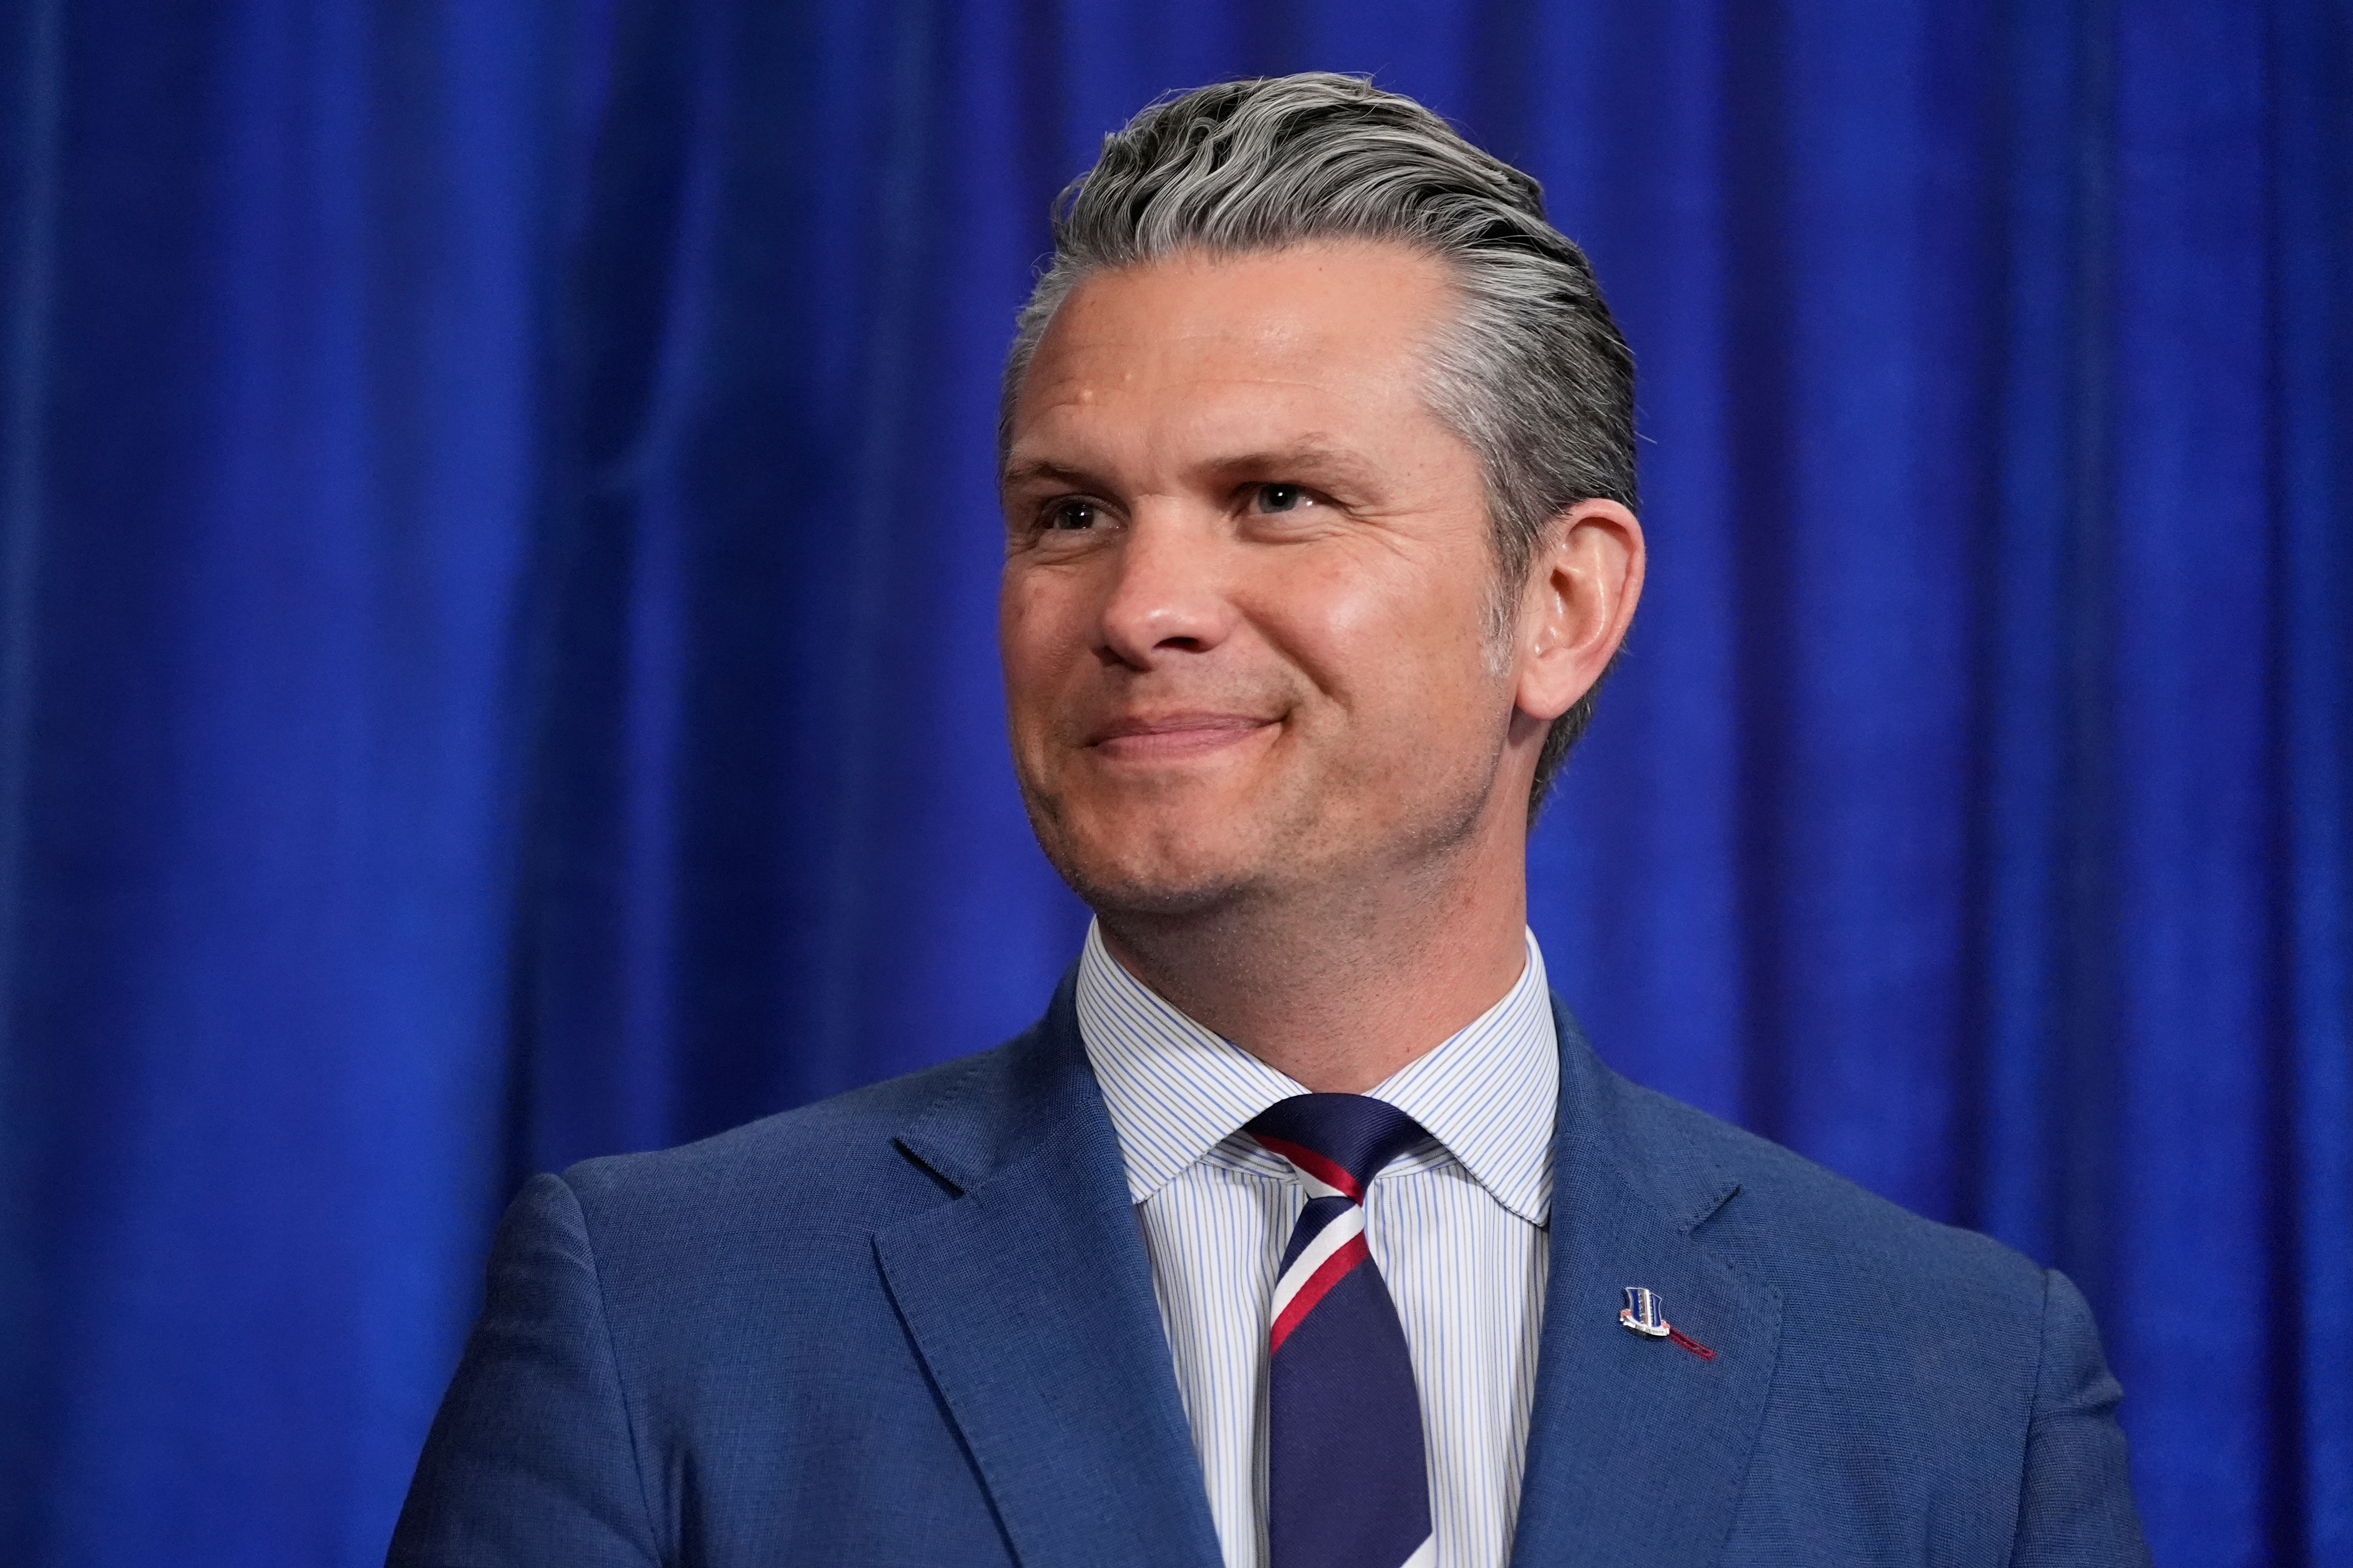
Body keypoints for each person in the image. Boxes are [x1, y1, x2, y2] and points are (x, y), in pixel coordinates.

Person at [389, 73, 2148, 1568]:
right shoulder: (659, 1316)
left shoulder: (1960, 1389)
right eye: (1070, 512)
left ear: (1559, 604)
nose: (1143, 603)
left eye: (1278, 498)